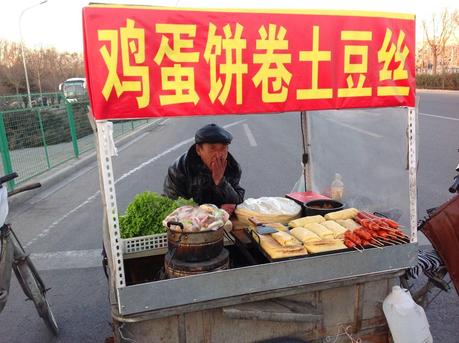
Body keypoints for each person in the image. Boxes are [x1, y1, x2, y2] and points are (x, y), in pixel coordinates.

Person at [163, 124, 245, 212]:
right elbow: (174, 205)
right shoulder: (179, 169)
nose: (218, 155)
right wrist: (212, 212)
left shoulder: (232, 167)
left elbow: (238, 200)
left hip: (222, 218)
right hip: (190, 221)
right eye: (212, 149)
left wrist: (220, 181)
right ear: (198, 150)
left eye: (223, 148)